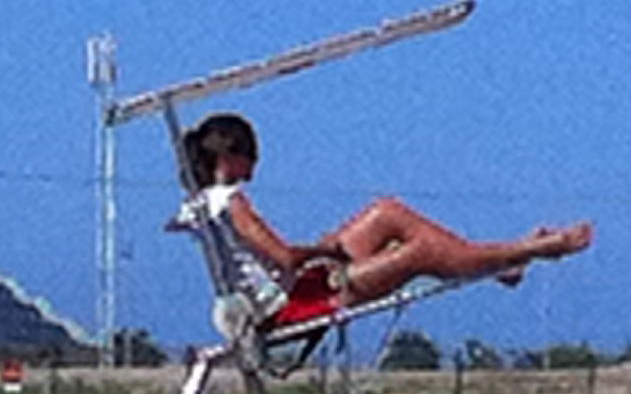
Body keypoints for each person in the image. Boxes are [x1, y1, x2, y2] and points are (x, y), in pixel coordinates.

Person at [179, 112, 591, 319]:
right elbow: (284, 258)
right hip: (299, 302)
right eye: (251, 155)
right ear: (231, 156)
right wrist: (324, 250)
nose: (255, 165)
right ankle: (528, 250)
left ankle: (500, 265)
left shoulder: (201, 205)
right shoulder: (230, 202)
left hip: (298, 286)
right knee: (421, 251)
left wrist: (324, 251)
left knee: (386, 212)